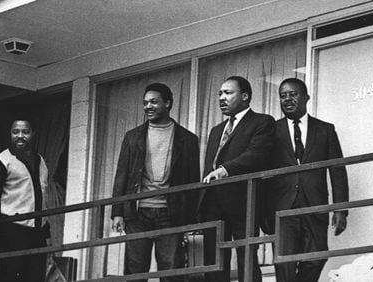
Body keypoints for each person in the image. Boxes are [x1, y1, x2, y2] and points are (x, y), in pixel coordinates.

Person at [111, 83, 200, 282]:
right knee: (135, 271)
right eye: (145, 103)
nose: (148, 107)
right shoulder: (132, 137)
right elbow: (122, 175)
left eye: (153, 102)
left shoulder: (188, 139)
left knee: (171, 271)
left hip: (171, 214)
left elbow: (192, 181)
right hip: (137, 214)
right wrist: (117, 212)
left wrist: (191, 218)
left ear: (167, 103)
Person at [265, 78, 349, 282]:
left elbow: (337, 170)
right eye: (282, 95)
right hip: (282, 208)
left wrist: (340, 209)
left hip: (315, 204)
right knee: (284, 262)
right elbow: (261, 172)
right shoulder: (270, 131)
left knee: (316, 256)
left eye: (292, 94)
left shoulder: (325, 130)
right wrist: (263, 214)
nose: (287, 99)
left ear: (306, 97)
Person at [199, 76, 275, 282]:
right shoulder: (216, 131)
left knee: (246, 261)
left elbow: (256, 155)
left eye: (228, 93)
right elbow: (208, 168)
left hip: (244, 203)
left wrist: (225, 170)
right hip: (213, 205)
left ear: (244, 96)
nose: (222, 98)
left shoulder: (262, 122)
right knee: (213, 264)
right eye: (220, 94)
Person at [0, 117, 50, 282]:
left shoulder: (41, 161)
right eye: (15, 132)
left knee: (36, 277)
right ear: (10, 134)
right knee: (11, 276)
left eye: (25, 132)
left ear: (33, 134)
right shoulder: (3, 160)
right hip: (13, 229)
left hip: (37, 232)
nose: (20, 136)